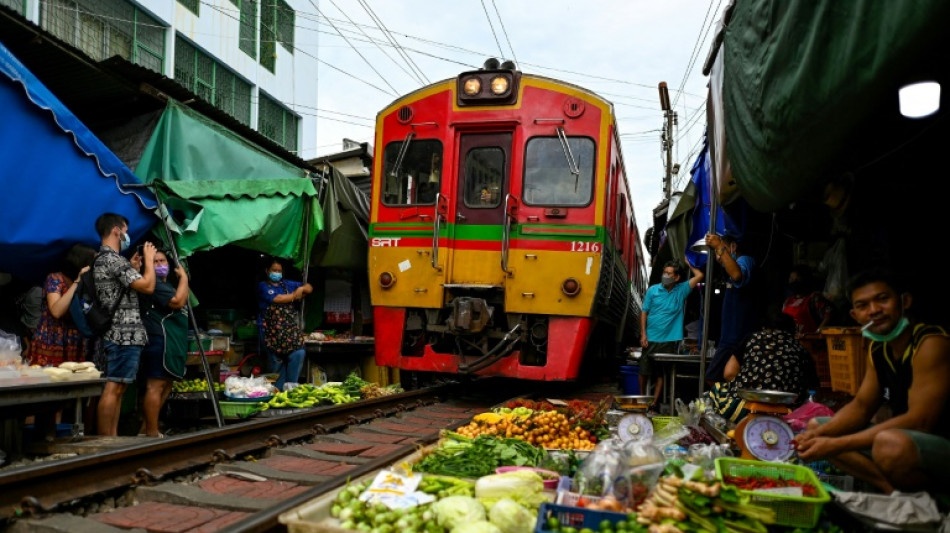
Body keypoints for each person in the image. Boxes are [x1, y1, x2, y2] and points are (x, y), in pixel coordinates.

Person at [794, 268, 950, 493]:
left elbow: (920, 421)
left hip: (937, 445)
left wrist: (835, 444)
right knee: (818, 426)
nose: (874, 310)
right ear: (855, 316)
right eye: (863, 305)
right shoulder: (878, 346)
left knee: (889, 444)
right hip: (904, 439)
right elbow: (862, 406)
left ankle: (934, 498)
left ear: (904, 302)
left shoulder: (930, 343)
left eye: (882, 299)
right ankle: (893, 492)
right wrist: (816, 436)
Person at [93, 213, 156, 436]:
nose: (128, 236)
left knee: (118, 388)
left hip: (120, 332)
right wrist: (149, 260)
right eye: (126, 231)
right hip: (122, 333)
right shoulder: (113, 259)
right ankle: (106, 440)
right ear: (117, 231)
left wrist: (133, 268)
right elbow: (148, 286)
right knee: (113, 387)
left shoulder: (107, 260)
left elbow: (124, 288)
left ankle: (111, 438)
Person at [705, 308, 819, 423]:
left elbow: (729, 373)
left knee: (717, 388)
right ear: (793, 331)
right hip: (788, 415)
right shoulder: (800, 349)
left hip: (741, 411)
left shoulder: (752, 339)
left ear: (764, 328)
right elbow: (812, 387)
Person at [639, 257, 703, 410]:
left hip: (669, 340)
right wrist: (643, 334)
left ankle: (654, 402)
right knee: (644, 371)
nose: (665, 276)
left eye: (669, 274)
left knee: (661, 373)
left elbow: (699, 276)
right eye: (664, 272)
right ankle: (642, 399)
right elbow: (644, 312)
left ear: (677, 277)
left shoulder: (681, 290)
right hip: (651, 338)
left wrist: (690, 263)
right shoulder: (653, 290)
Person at [139, 249, 189, 438]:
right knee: (155, 386)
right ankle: (152, 433)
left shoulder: (166, 284)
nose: (160, 265)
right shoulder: (155, 285)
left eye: (163, 261)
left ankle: (146, 428)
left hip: (171, 340)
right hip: (159, 339)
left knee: (166, 385)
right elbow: (177, 301)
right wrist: (184, 278)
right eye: (155, 261)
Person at [26, 244, 97, 367]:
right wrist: (77, 282)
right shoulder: (55, 279)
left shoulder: (89, 283)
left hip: (75, 342)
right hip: (51, 340)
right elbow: (56, 311)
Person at [704, 232, 760, 383]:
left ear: (733, 247)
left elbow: (737, 275)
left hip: (738, 336)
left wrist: (718, 246)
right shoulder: (730, 269)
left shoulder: (745, 260)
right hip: (730, 337)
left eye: (720, 252)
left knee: (713, 376)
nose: (718, 257)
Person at [257, 258, 312, 390]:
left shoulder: (286, 284)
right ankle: (279, 391)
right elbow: (278, 299)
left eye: (279, 271)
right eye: (274, 270)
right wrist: (296, 294)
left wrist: (302, 288)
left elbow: (309, 287)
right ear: (267, 271)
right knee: (277, 365)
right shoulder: (263, 286)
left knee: (298, 353)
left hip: (289, 331)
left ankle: (291, 387)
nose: (277, 273)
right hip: (271, 334)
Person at [782, 264, 833, 334]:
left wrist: (817, 333)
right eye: (791, 279)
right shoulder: (788, 301)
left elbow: (828, 316)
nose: (793, 282)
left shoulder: (814, 299)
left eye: (797, 279)